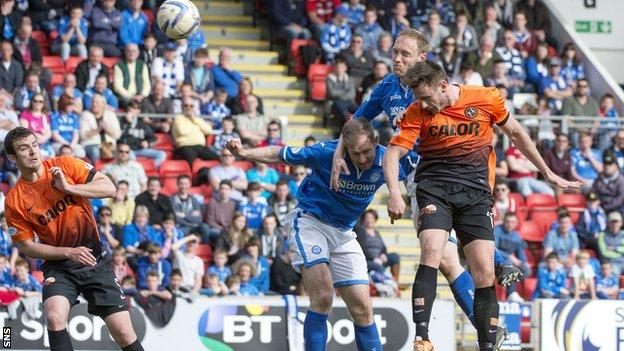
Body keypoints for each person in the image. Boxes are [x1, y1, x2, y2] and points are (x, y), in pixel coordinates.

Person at [332, 29, 520, 348]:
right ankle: (493, 296)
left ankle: (496, 271)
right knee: (446, 260)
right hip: (418, 178)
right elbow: (356, 122)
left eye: (404, 54)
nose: (397, 58)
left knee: (447, 257)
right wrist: (339, 152)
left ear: (423, 57)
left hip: (448, 172)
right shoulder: (386, 87)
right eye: (394, 52)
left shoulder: (433, 84)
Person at [383, 60, 579, 351]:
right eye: (418, 99)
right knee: (432, 250)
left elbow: (517, 134)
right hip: (434, 189)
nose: (423, 103)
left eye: (426, 97)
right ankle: (422, 336)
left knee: (485, 271)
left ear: (442, 85)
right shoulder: (417, 112)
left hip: (476, 194)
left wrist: (547, 173)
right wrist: (395, 192)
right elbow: (392, 154)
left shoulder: (487, 98)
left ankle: (487, 344)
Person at [227, 119, 414, 350]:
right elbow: (280, 153)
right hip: (310, 222)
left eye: (367, 151)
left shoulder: (387, 159)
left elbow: (423, 167)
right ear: (345, 148)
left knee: (363, 309)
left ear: (376, 142)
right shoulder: (326, 153)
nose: (363, 158)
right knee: (324, 296)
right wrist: (245, 153)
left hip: (344, 232)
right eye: (356, 154)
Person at [3, 127, 144, 350]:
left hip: (94, 258)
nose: (32, 152)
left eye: (34, 145)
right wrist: (68, 252)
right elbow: (28, 247)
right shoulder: (14, 201)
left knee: (124, 334)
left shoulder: (66, 165)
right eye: (23, 148)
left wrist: (70, 188)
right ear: (12, 158)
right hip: (60, 266)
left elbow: (109, 188)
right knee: (54, 317)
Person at [494, 212, 530, 302]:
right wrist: (509, 256)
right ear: (504, 222)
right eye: (507, 222)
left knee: (526, 270)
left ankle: (510, 288)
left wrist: (523, 262)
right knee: (509, 264)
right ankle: (511, 293)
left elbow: (520, 253)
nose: (510, 224)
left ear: (516, 223)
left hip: (508, 262)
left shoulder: (516, 236)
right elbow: (493, 249)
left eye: (512, 222)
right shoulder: (497, 231)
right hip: (495, 261)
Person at [356, 209, 401, 281]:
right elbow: (362, 248)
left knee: (395, 257)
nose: (369, 220)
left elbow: (383, 248)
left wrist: (383, 254)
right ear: (363, 220)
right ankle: (388, 283)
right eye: (367, 218)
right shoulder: (361, 231)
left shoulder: (376, 232)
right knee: (379, 267)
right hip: (367, 260)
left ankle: (395, 282)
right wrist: (373, 258)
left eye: (372, 218)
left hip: (379, 259)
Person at [172, 97, 217, 166]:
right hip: (185, 146)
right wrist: (197, 127)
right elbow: (182, 131)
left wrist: (194, 119)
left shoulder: (197, 118)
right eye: (186, 105)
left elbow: (209, 131)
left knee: (217, 159)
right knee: (193, 161)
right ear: (181, 106)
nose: (188, 108)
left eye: (191, 106)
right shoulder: (178, 118)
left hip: (200, 147)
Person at [119, 100, 166, 167]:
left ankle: (149, 169)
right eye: (131, 107)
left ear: (139, 111)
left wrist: (147, 142)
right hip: (128, 149)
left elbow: (154, 138)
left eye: (136, 108)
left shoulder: (142, 124)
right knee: (131, 157)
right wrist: (128, 123)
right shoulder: (121, 121)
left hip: (140, 149)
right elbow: (120, 137)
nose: (132, 110)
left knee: (162, 154)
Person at [80, 93, 121, 163]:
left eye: (97, 102)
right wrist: (98, 129)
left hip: (109, 144)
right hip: (91, 144)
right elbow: (83, 135)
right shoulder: (85, 114)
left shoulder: (110, 115)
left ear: (103, 104)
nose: (94, 104)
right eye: (92, 102)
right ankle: (97, 172)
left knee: (126, 152)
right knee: (95, 152)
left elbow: (117, 135)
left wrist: (106, 128)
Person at [171, 174, 211, 242]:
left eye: (186, 184)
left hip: (195, 226)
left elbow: (199, 219)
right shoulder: (172, 200)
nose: (183, 186)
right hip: (181, 227)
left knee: (205, 227)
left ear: (190, 184)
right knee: (177, 232)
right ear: (177, 184)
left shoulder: (194, 200)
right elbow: (176, 218)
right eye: (181, 184)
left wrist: (184, 215)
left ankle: (205, 248)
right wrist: (191, 215)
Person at [50, 94, 85, 158]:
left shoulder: (74, 117)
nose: (72, 107)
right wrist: (67, 145)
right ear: (63, 104)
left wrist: (72, 145)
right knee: (64, 152)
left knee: (81, 153)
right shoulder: (54, 117)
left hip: (72, 144)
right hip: (58, 143)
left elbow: (76, 134)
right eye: (70, 104)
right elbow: (55, 135)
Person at [18, 92, 52, 157]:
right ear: (32, 102)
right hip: (30, 143)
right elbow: (24, 131)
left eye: (40, 101)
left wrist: (43, 139)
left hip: (44, 143)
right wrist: (39, 137)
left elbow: (49, 132)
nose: (38, 103)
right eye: (35, 101)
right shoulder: (25, 114)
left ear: (43, 103)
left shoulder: (45, 115)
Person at [596, 211, 624, 276]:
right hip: (611, 263)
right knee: (613, 272)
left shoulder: (623, 234)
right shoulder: (602, 235)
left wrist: (615, 248)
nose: (615, 224)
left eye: (617, 222)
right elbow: (603, 252)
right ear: (608, 223)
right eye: (612, 222)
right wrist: (618, 254)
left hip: (623, 261)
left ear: (621, 223)